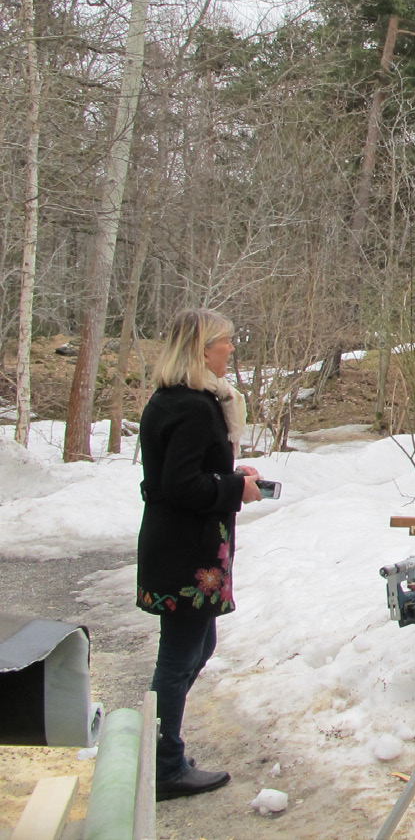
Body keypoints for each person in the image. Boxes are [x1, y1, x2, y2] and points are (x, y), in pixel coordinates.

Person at [136, 308, 262, 800]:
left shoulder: (176, 401)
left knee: (198, 648)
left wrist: (233, 474)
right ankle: (162, 765)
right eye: (225, 342)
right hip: (185, 553)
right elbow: (179, 484)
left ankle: (158, 752)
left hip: (182, 547)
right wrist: (235, 488)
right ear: (201, 347)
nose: (231, 349)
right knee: (179, 655)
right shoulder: (191, 406)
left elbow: (182, 473)